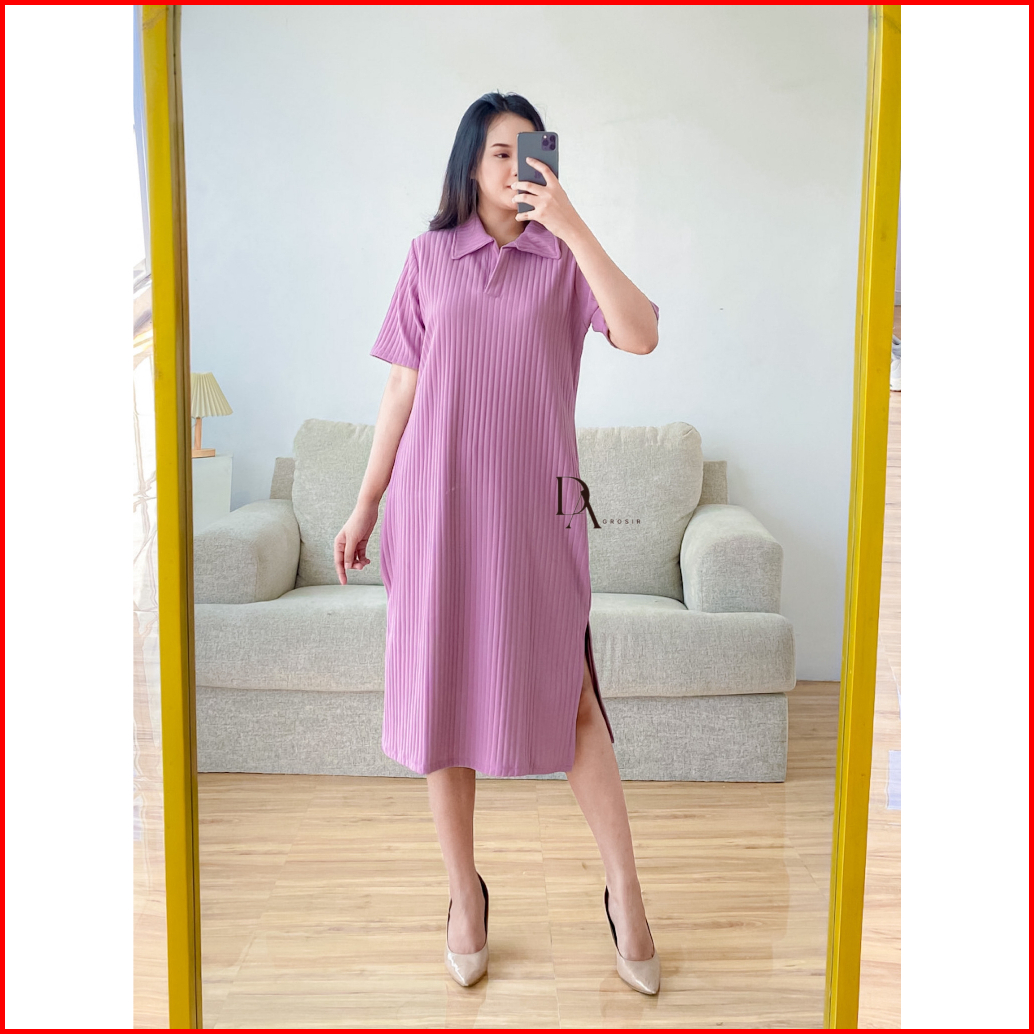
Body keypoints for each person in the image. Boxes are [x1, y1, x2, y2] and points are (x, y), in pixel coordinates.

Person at [334, 92, 662, 995]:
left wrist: (573, 223)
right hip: (434, 514)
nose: (517, 168)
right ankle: (464, 897)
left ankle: (626, 895)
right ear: (470, 168)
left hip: (535, 519)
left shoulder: (563, 260)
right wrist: (365, 503)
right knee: (442, 703)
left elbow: (641, 334)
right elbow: (401, 393)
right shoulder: (428, 258)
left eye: (530, 151)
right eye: (499, 154)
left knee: (573, 702)